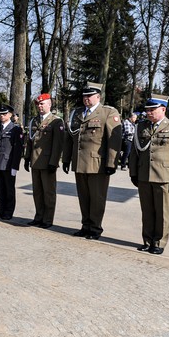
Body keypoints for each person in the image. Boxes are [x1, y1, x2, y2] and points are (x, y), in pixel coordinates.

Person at [62, 82, 122, 240]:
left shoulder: (108, 112)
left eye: (89, 96)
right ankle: (85, 225)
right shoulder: (77, 113)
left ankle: (95, 228)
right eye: (84, 96)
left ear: (98, 96)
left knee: (97, 198)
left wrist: (111, 163)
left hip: (98, 164)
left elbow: (114, 139)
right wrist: (66, 159)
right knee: (83, 197)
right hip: (80, 163)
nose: (86, 99)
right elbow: (70, 138)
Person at [129, 95, 169, 254]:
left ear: (163, 109)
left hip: (164, 176)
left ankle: (159, 243)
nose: (148, 113)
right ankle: (147, 240)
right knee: (147, 211)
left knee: (162, 212)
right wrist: (133, 172)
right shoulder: (141, 126)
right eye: (147, 110)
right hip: (144, 175)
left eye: (152, 110)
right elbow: (134, 152)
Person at [23, 94, 64, 228]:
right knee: (37, 191)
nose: (40, 107)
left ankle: (47, 219)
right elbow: (30, 141)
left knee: (48, 192)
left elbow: (58, 144)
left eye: (42, 104)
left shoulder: (56, 121)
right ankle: (38, 216)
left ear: (49, 105)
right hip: (35, 161)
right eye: (38, 104)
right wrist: (27, 157)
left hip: (47, 162)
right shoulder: (34, 121)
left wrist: (54, 162)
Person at [0, 104, 23, 220]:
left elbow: (17, 149)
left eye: (4, 114)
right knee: (0, 188)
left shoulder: (15, 129)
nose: (2, 116)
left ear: (10, 115)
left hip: (8, 164)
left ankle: (8, 211)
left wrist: (15, 166)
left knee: (9, 189)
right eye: (0, 114)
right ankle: (1, 209)